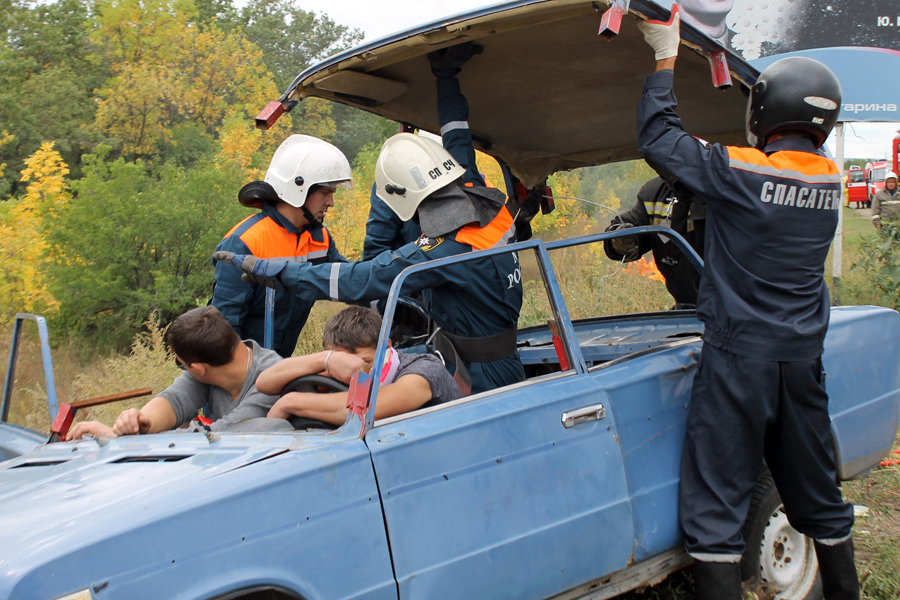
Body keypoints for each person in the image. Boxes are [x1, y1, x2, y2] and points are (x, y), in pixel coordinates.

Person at [636, 9, 858, 600]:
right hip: (801, 364)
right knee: (819, 495)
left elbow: (660, 140)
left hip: (740, 363)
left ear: (765, 116)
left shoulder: (746, 169)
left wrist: (663, 58)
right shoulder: (831, 180)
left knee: (716, 510)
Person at [214, 43, 525, 397]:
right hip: (497, 352)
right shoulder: (473, 187)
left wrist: (283, 272)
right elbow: (457, 133)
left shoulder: (444, 247)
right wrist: (446, 78)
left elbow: (361, 277)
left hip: (480, 371)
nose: (330, 202)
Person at [211, 134, 352, 358]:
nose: (331, 202)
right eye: (325, 192)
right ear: (298, 188)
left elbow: (349, 281)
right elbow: (225, 329)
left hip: (278, 361)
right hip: (243, 368)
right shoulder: (245, 242)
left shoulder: (321, 237)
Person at [67, 306, 282, 440]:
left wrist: (118, 441)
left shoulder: (272, 380)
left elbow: (218, 436)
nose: (183, 370)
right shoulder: (217, 361)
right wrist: (139, 423)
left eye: (182, 365)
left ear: (198, 368)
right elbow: (175, 399)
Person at [257, 306, 461, 426]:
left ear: (386, 347)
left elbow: (373, 407)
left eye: (363, 363)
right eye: (342, 362)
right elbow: (264, 383)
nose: (352, 373)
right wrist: (325, 361)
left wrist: (291, 402)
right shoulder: (336, 369)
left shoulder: (424, 369)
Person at [603, 176, 705, 308]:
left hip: (731, 311)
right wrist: (620, 239)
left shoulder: (727, 190)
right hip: (686, 308)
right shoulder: (655, 192)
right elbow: (632, 224)